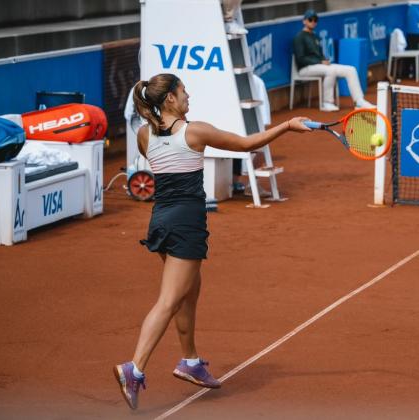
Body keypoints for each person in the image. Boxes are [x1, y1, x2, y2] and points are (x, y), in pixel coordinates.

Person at [114, 73, 310, 410]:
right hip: (186, 225)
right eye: (183, 91)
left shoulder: (144, 135)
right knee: (169, 300)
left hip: (161, 221)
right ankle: (134, 368)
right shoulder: (195, 131)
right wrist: (288, 126)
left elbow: (163, 164)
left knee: (189, 294)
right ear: (171, 99)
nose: (188, 95)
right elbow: (248, 145)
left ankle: (190, 362)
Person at [292, 9, 375, 112]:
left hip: (319, 66)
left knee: (351, 70)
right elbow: (300, 59)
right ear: (304, 21)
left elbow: (320, 56)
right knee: (330, 71)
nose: (313, 22)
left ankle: (359, 101)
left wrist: (324, 61)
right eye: (310, 19)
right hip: (305, 69)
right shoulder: (299, 37)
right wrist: (320, 62)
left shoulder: (315, 36)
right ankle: (327, 102)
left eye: (315, 20)